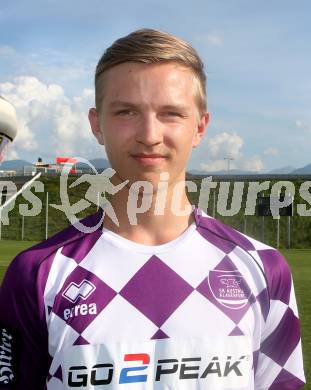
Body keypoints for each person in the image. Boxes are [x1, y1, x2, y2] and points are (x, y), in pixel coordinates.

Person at [0, 29, 305, 390]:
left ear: (200, 126)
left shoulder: (264, 270)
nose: (149, 134)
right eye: (126, 111)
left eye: (171, 113)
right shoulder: (37, 274)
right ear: (97, 125)